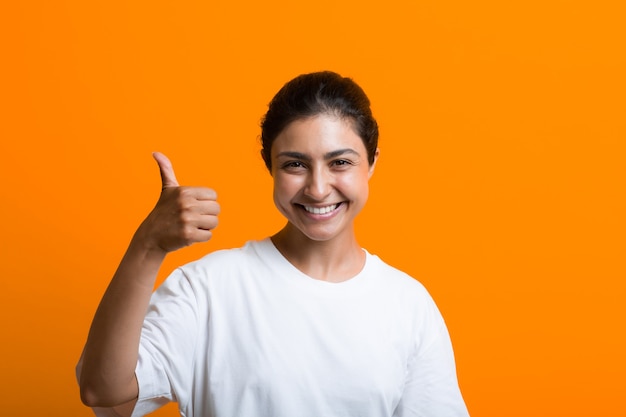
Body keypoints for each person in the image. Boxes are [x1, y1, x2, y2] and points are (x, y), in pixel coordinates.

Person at [77, 71, 470, 417]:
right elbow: (105, 390)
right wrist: (147, 246)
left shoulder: (407, 305)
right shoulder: (210, 289)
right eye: (295, 164)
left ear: (372, 163)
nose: (318, 189)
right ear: (271, 167)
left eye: (340, 163)